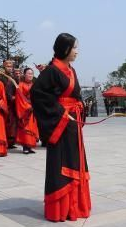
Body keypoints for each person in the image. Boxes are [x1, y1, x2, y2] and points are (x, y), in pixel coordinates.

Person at [31, 33, 91, 222]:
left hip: (73, 124)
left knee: (75, 161)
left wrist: (80, 104)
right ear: (64, 48)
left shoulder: (71, 70)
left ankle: (75, 206)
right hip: (61, 123)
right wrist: (61, 112)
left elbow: (76, 94)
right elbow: (37, 94)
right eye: (74, 48)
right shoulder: (51, 70)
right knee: (61, 163)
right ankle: (60, 209)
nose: (76, 52)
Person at [16, 67, 39, 154]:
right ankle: (25, 146)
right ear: (24, 74)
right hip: (25, 110)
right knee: (26, 128)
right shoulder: (21, 85)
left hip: (33, 109)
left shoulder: (34, 85)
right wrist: (27, 107)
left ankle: (30, 146)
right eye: (28, 73)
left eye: (31, 74)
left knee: (33, 128)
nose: (30, 75)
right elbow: (19, 98)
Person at [0, 59, 18, 150]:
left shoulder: (15, 78)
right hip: (4, 102)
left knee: (13, 123)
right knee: (5, 123)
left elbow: (18, 89)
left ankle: (11, 142)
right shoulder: (1, 77)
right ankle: (5, 140)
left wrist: (15, 97)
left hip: (13, 104)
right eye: (8, 66)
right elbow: (1, 90)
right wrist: (9, 97)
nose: (9, 68)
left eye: (11, 66)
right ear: (4, 67)